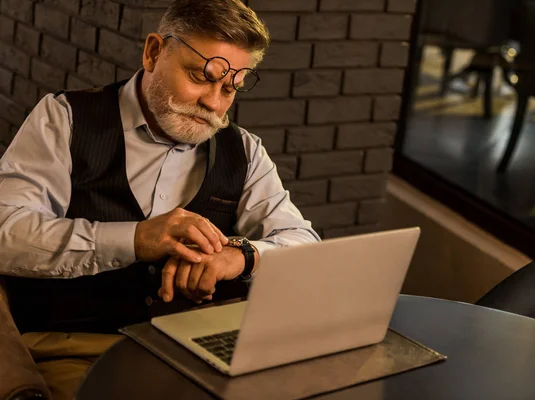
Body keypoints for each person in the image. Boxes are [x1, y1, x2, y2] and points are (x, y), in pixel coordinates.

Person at [0, 0, 319, 398]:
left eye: (229, 88)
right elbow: (5, 232)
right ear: (153, 52)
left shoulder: (244, 150)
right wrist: (135, 239)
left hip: (192, 351)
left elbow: (305, 244)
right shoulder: (64, 118)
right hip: (75, 349)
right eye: (201, 77)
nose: (214, 103)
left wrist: (240, 256)